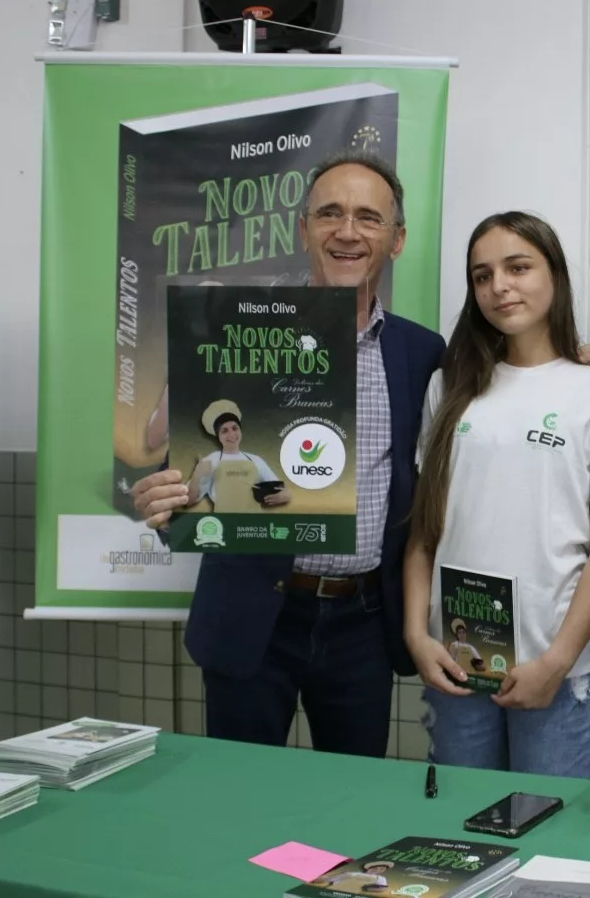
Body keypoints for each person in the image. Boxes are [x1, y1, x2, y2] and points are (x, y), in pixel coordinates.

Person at [131, 150, 446, 757]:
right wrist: (159, 491)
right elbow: (162, 448)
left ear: (397, 239)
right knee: (239, 805)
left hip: (361, 624)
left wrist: (580, 357)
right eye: (329, 214)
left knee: (350, 806)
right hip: (251, 613)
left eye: (368, 217)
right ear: (303, 231)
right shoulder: (238, 324)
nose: (347, 231)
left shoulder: (421, 351)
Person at [403, 211, 590, 778]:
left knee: (546, 834)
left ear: (555, 275)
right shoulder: (449, 386)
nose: (499, 286)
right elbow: (425, 532)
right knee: (458, 836)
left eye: (518, 267)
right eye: (482, 276)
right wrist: (417, 634)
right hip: (458, 662)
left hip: (554, 667)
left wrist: (558, 662)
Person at [184, 399, 289, 512]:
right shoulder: (211, 461)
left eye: (235, 428)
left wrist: (284, 496)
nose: (232, 434)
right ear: (218, 436)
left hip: (253, 525)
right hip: (224, 523)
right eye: (224, 431)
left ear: (240, 430)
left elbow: (283, 490)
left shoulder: (255, 460)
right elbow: (188, 501)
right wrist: (197, 475)